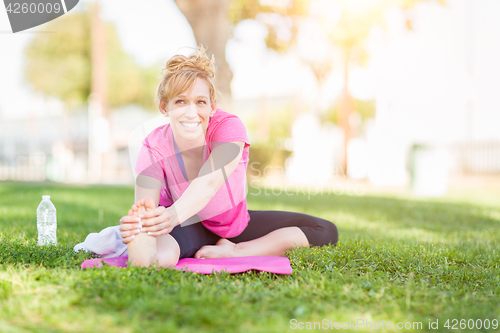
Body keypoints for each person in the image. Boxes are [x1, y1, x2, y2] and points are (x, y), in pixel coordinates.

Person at [119, 45, 338, 267]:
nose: (191, 112)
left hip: (233, 226)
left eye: (200, 102)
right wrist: (146, 223)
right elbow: (145, 205)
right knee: (160, 243)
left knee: (325, 230)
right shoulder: (153, 146)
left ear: (212, 107)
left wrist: (170, 217)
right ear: (164, 107)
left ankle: (236, 251)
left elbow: (209, 183)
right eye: (180, 101)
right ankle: (147, 258)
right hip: (186, 224)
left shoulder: (228, 128)